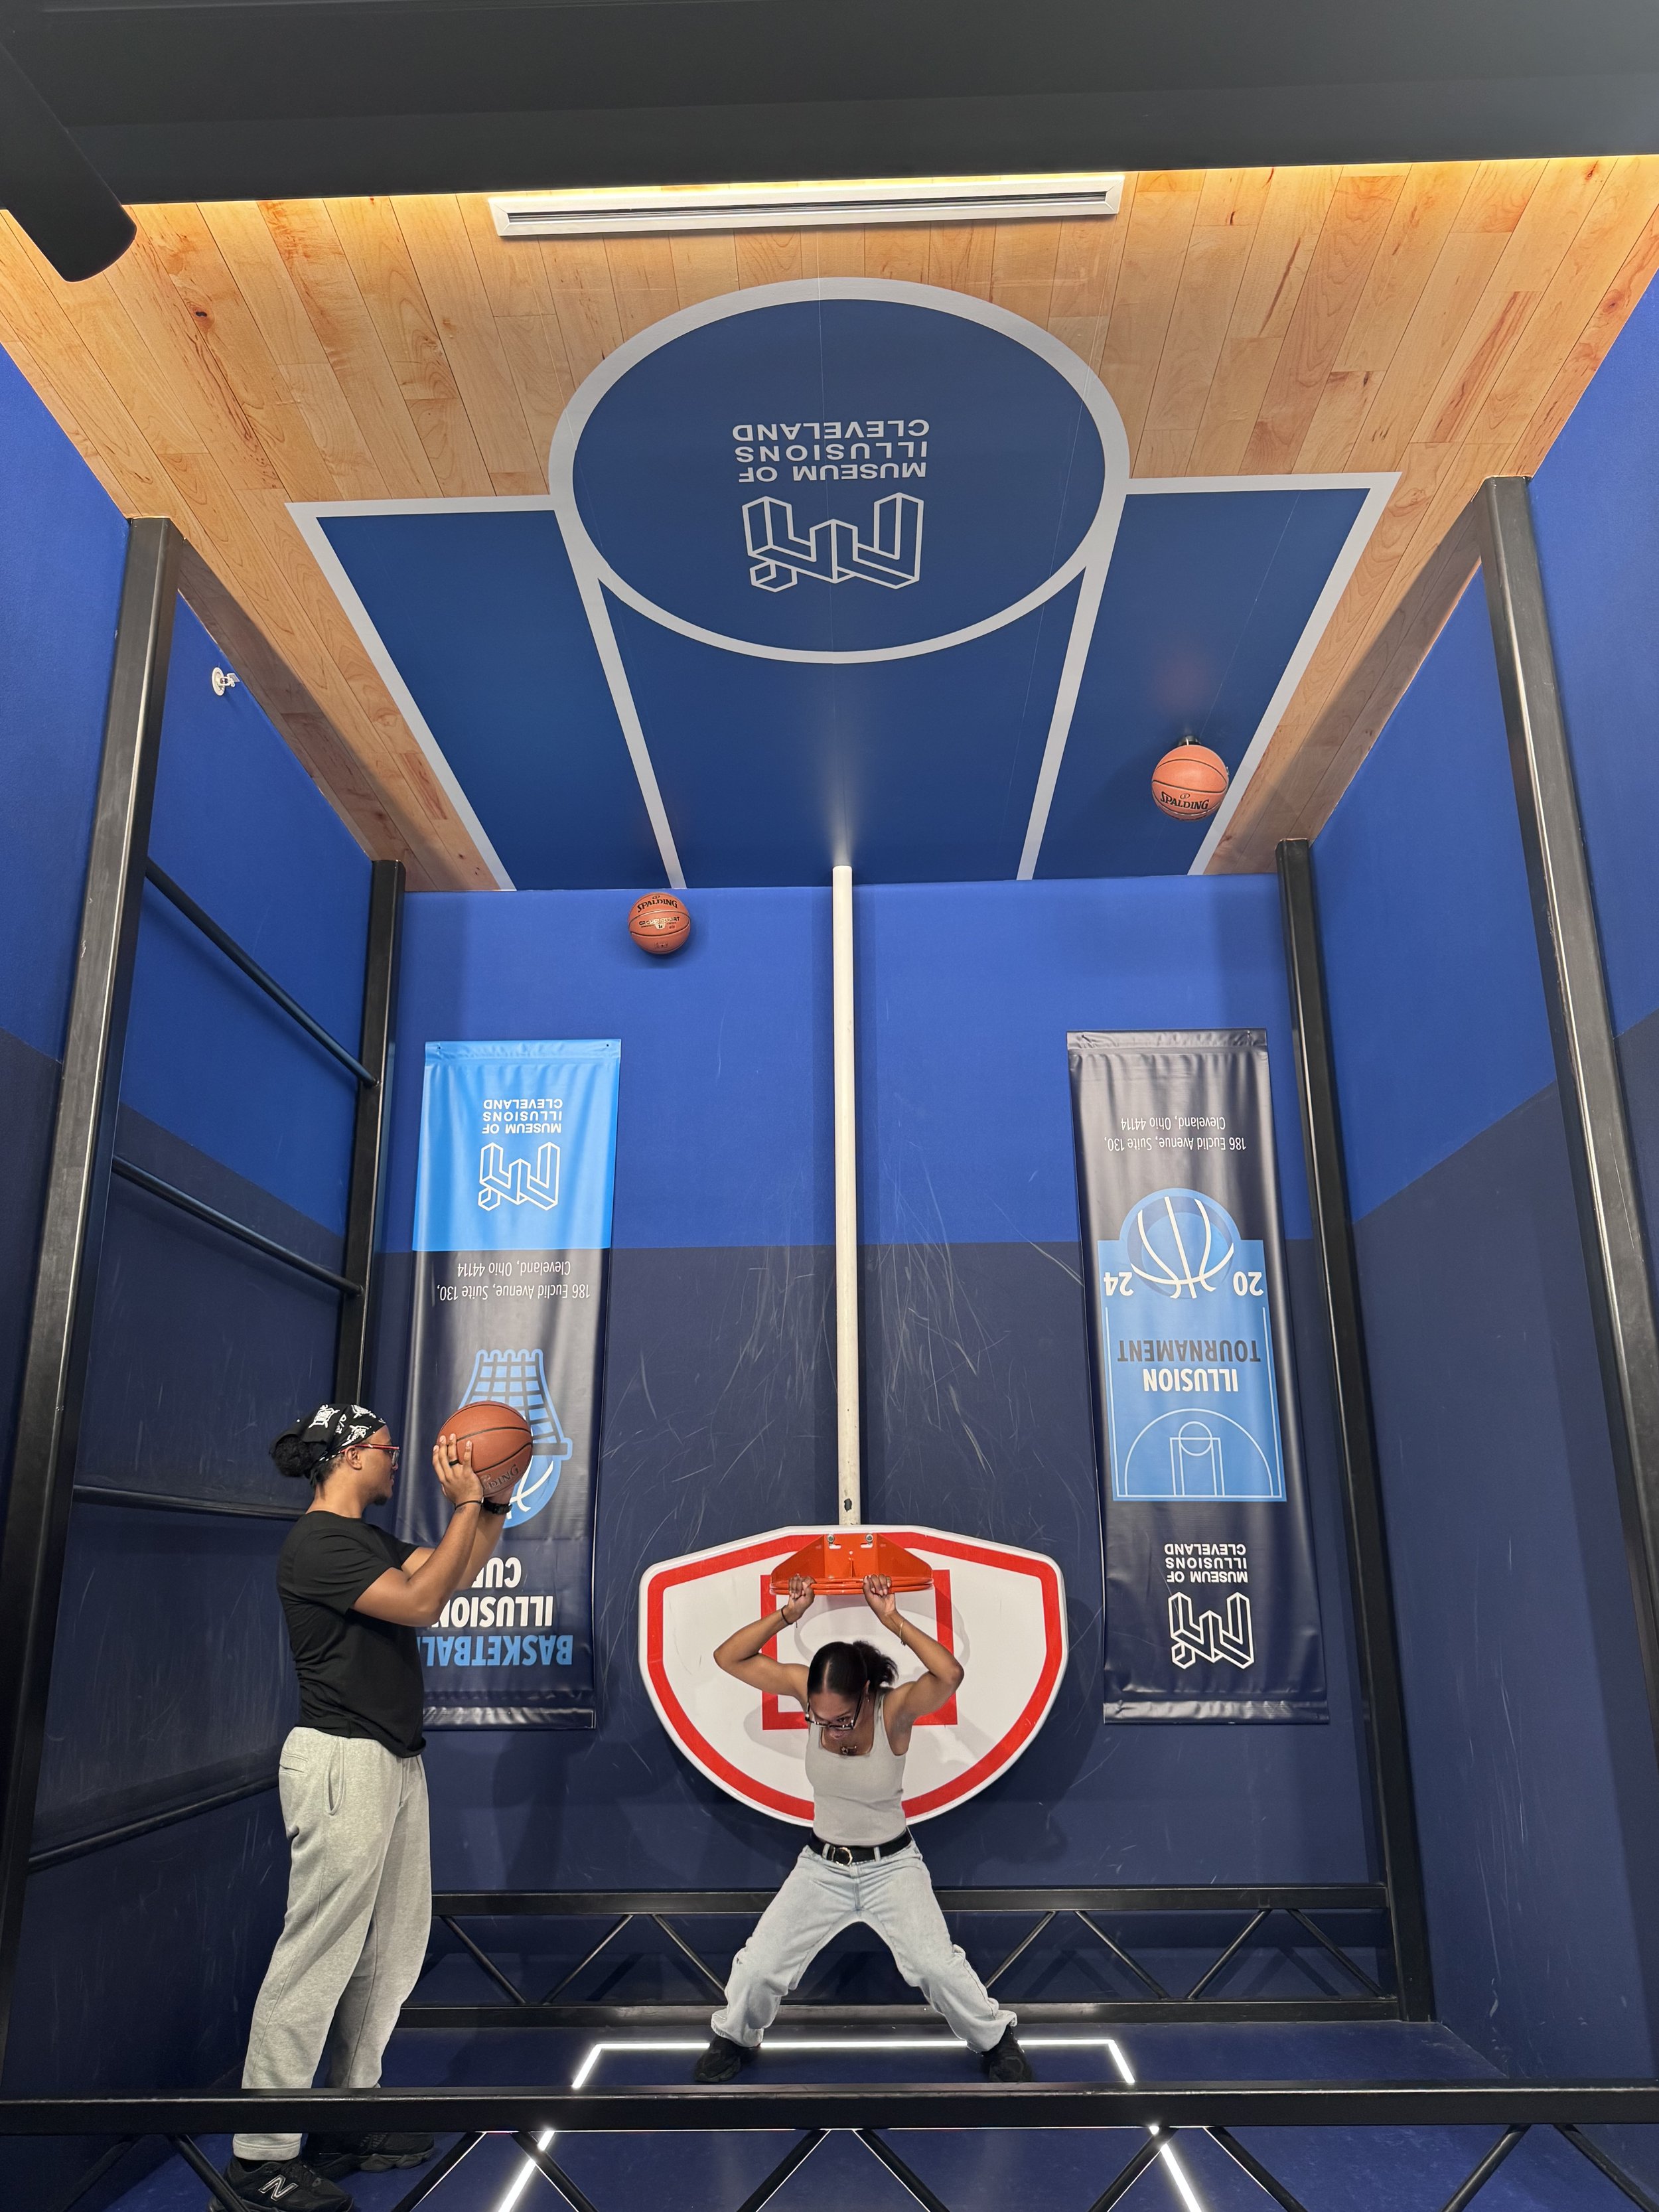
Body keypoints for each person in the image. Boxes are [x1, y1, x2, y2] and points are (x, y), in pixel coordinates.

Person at [218, 1402, 509, 2212]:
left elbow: (452, 1579)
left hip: (392, 1762)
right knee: (317, 1957)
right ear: (349, 1457)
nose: (395, 1461)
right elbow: (419, 1606)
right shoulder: (315, 1543)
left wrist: (490, 1502)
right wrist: (462, 1506)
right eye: (385, 1450)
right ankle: (258, 2157)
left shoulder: (363, 1540)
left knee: (392, 1956)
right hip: (341, 1761)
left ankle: (346, 2114)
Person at [693, 1571, 1032, 2084]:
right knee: (759, 1966)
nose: (829, 1727)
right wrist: (788, 1614)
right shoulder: (806, 1692)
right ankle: (736, 2037)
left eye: (842, 1718)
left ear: (867, 1693)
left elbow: (950, 1674)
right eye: (819, 1717)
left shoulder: (894, 1709)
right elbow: (728, 1657)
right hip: (821, 1867)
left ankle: (995, 2038)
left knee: (937, 1967)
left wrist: (892, 1618)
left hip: (892, 1866)